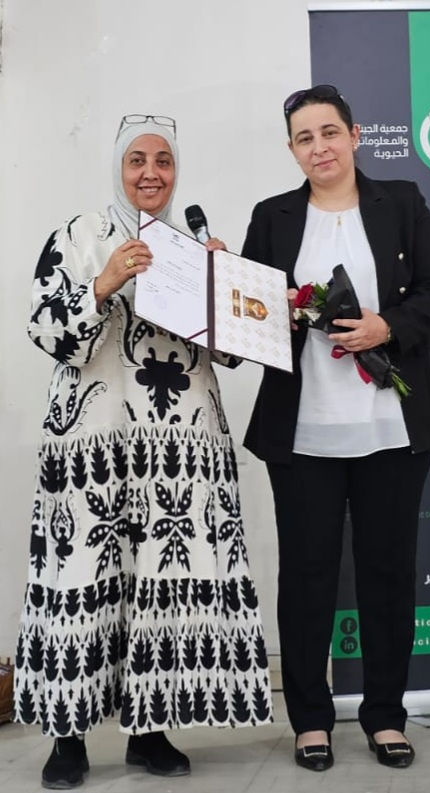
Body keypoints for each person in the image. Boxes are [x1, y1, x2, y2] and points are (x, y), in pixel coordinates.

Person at [14, 114, 272, 790]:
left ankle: (149, 731)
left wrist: (226, 287)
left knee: (161, 583)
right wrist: (103, 282)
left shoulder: (191, 248)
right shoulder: (77, 236)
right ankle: (67, 738)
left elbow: (231, 355)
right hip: (93, 448)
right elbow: (46, 331)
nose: (151, 172)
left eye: (163, 160)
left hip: (177, 452)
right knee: (80, 579)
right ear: (117, 168)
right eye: (137, 160)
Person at [241, 85, 430, 771]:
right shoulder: (272, 216)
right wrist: (250, 299)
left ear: (354, 135)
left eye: (329, 132)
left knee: (386, 573)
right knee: (306, 576)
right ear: (291, 150)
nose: (319, 147)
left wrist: (385, 327)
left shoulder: (400, 201)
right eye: (304, 138)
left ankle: (384, 716)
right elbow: (251, 314)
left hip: (391, 427)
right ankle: (310, 721)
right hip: (303, 430)